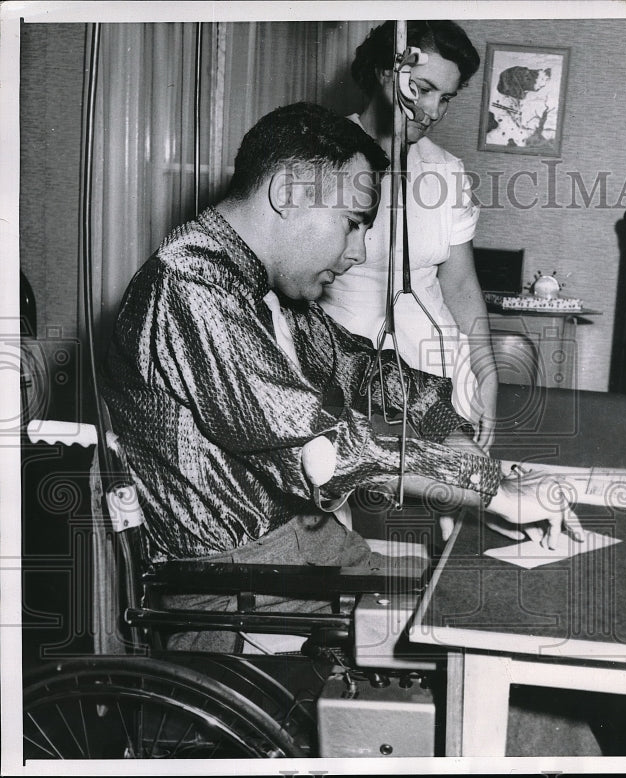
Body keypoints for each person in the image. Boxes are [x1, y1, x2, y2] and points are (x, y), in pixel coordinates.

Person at [101, 102, 582, 651]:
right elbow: (324, 448)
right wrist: (489, 490)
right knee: (479, 630)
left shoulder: (256, 282)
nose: (357, 252)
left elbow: (362, 367)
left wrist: (459, 441)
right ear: (289, 191)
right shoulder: (191, 290)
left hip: (301, 552)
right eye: (352, 224)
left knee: (484, 597)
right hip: (243, 588)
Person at [319, 20, 500, 451]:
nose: (433, 111)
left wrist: (487, 373)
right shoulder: (319, 155)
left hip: (441, 372)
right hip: (350, 373)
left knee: (451, 500)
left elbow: (459, 284)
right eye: (423, 88)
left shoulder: (445, 171)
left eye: (446, 97)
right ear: (387, 73)